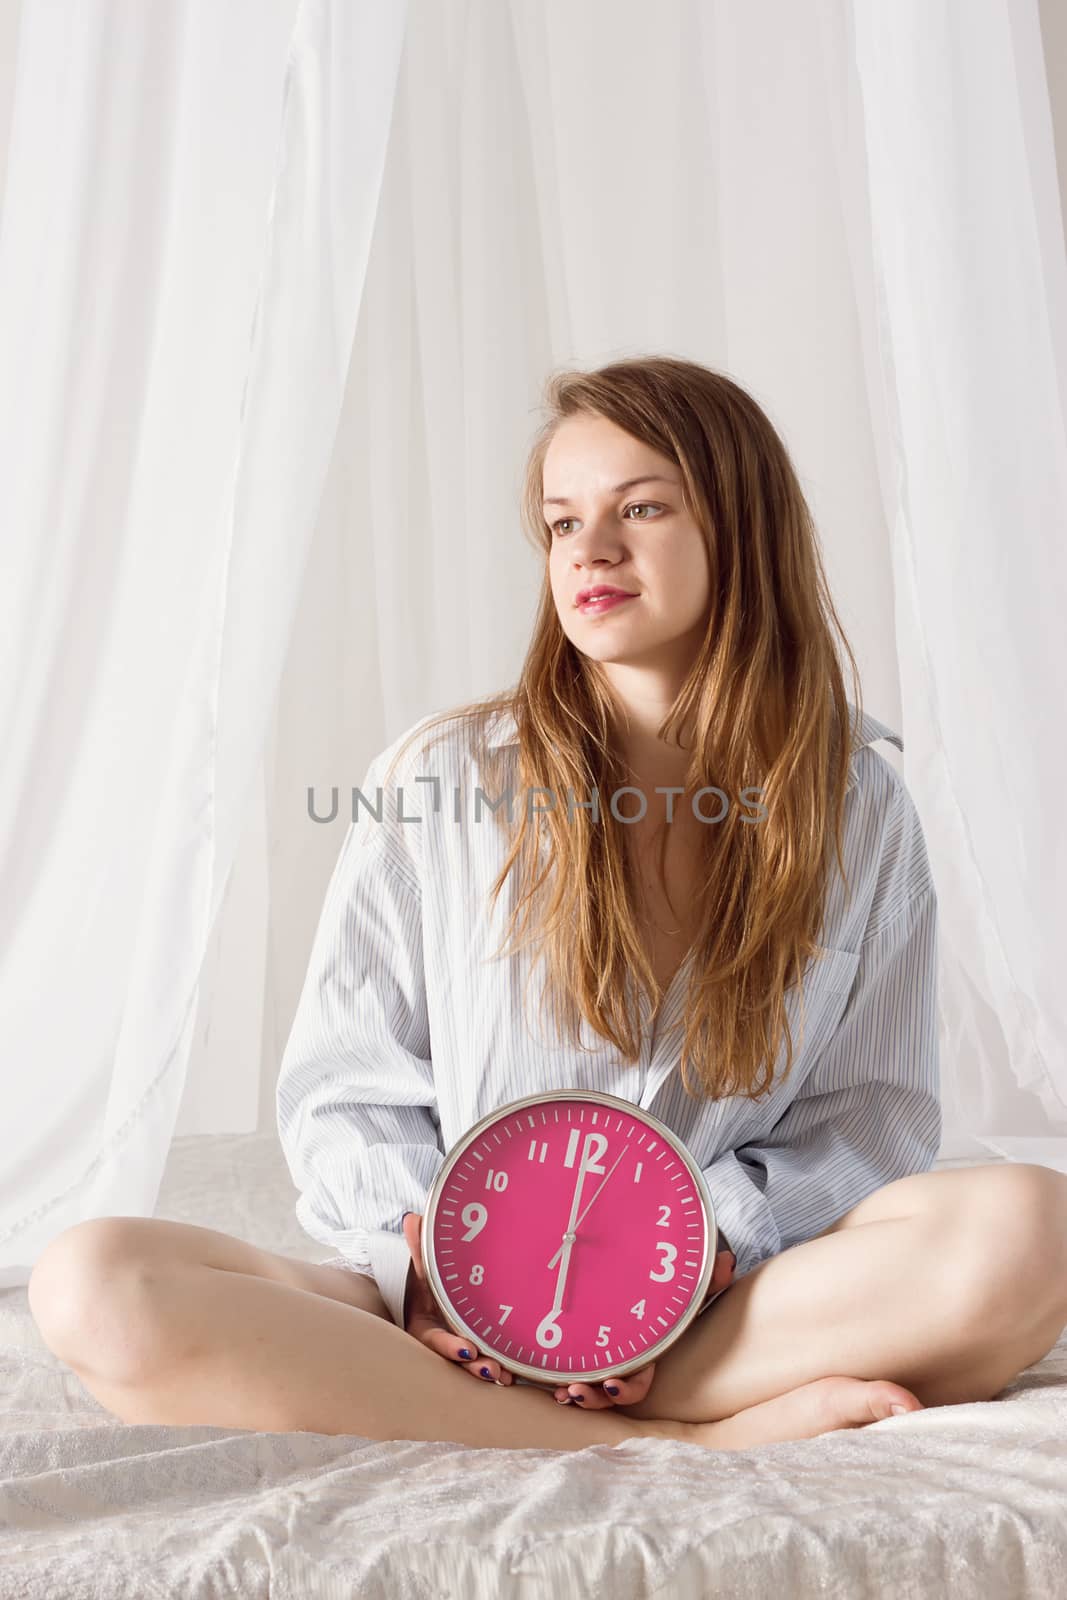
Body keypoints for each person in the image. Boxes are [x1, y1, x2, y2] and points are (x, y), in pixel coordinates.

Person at [28, 357, 1067, 1455]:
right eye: (562, 521)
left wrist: (712, 1237)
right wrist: (431, 1261)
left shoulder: (856, 804)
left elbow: (868, 1116)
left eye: (642, 508)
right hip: (444, 1308)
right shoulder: (442, 777)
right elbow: (346, 1087)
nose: (590, 551)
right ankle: (676, 1441)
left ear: (741, 528)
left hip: (707, 1308)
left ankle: (594, 1403)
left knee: (1027, 1231)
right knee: (92, 1281)